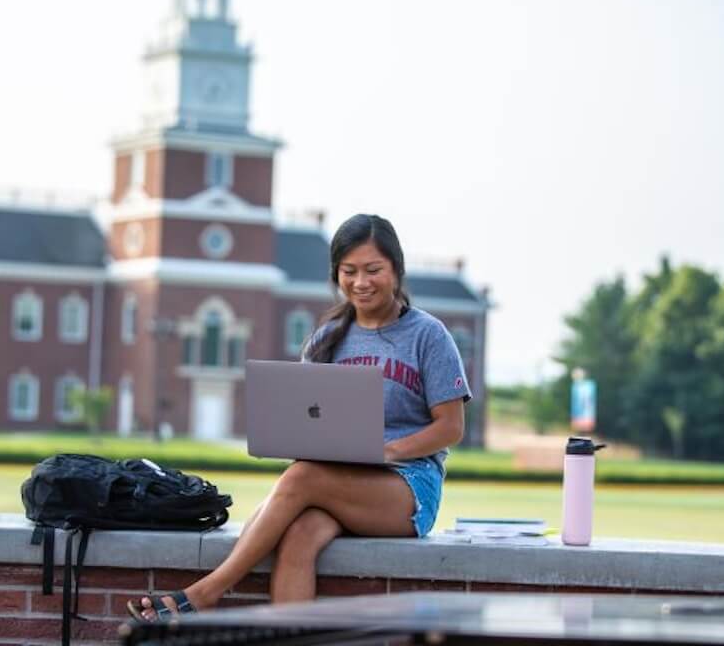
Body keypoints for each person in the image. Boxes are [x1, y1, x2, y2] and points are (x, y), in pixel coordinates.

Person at [128, 213, 471, 620]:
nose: (361, 282)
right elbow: (308, 423)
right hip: (335, 478)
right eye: (349, 271)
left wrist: (385, 450)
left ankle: (205, 593)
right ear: (336, 274)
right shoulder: (327, 339)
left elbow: (451, 427)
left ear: (396, 270)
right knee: (299, 536)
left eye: (373, 270)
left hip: (409, 485)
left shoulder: (428, 335)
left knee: (303, 475)